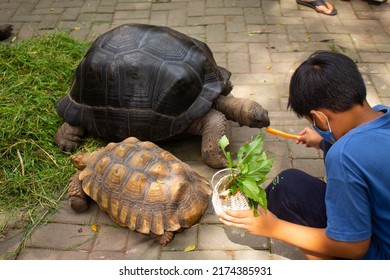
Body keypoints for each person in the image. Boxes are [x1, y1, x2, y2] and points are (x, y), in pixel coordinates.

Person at [218, 51, 390, 260]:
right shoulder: (382, 112)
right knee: (289, 184)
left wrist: (273, 227)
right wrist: (323, 139)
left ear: (319, 116)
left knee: (286, 197)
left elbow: (354, 247)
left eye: (314, 122)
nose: (317, 128)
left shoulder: (344, 156)